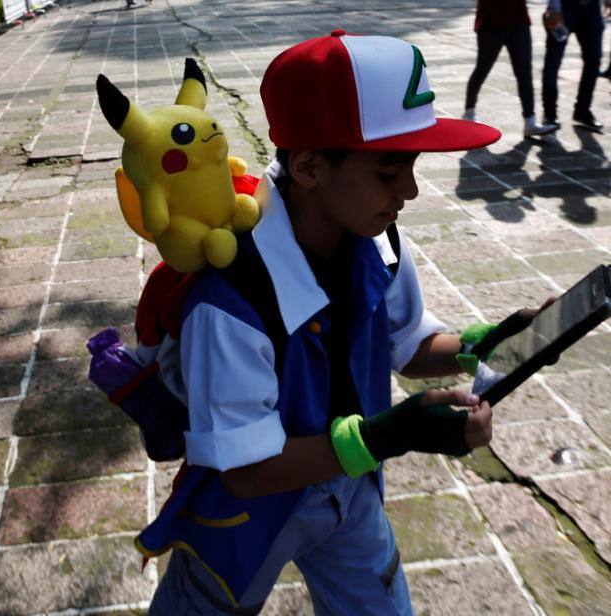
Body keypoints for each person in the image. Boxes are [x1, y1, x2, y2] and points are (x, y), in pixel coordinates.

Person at [140, 31, 520, 615]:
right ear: (311, 167)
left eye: (413, 167)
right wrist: (391, 436)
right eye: (390, 172)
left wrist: (485, 343)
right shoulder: (229, 300)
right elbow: (245, 470)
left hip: (349, 487)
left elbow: (409, 344)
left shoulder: (380, 240)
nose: (411, 192)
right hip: (246, 516)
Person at [463, 0, 556, 138]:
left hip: (519, 21)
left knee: (524, 72)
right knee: (483, 68)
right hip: (491, 20)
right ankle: (469, 112)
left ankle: (530, 121)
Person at [542, 0, 609, 131]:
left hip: (592, 8)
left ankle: (582, 111)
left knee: (594, 60)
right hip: (564, 7)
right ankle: (549, 113)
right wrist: (554, 7)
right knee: (553, 62)